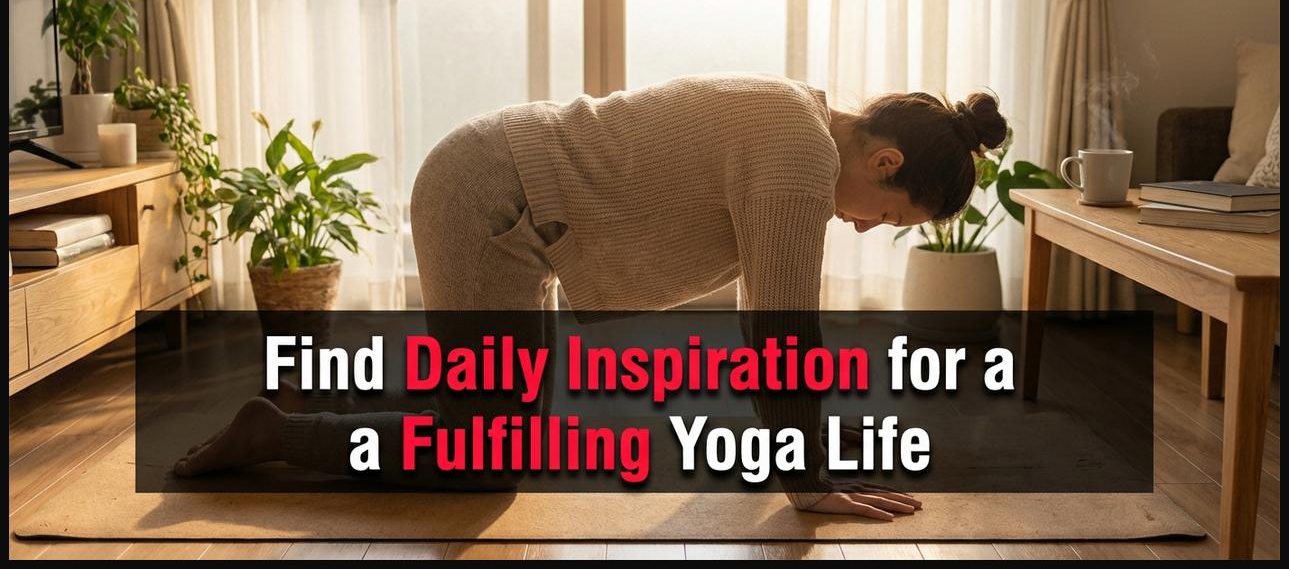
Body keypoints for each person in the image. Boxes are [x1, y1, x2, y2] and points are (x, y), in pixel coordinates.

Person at [175, 72, 1007, 520]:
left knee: (491, 416)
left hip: (507, 189)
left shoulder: (805, 121)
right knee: (486, 459)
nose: (867, 229)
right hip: (490, 198)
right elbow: (781, 330)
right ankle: (280, 431)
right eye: (887, 216)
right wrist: (810, 481)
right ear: (885, 164)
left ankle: (313, 397)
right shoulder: (798, 157)